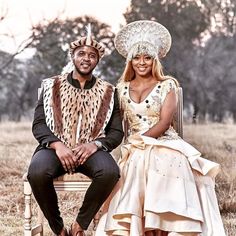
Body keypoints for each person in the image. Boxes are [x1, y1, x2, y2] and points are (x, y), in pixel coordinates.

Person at [95, 20, 226, 236]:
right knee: (137, 160)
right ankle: (141, 228)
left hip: (164, 140)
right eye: (136, 58)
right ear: (130, 61)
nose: (142, 62)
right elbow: (111, 122)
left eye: (147, 57)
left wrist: (140, 140)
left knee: (163, 157)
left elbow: (164, 122)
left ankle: (167, 227)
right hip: (135, 145)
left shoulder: (167, 84)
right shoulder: (120, 88)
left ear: (154, 60)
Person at [27, 25, 124, 236]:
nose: (86, 58)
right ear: (73, 56)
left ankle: (80, 225)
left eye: (92, 55)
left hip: (89, 151)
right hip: (55, 148)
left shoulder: (108, 92)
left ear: (97, 61)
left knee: (110, 172)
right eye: (81, 53)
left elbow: (116, 132)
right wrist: (57, 144)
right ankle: (59, 229)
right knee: (37, 171)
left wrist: (95, 144)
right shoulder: (51, 86)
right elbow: (39, 124)